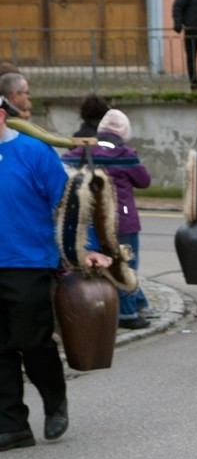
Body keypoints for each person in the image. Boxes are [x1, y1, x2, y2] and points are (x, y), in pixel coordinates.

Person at [1, 90, 113, 452]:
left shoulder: (34, 152)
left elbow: (69, 204)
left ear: (2, 115)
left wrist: (89, 246)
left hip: (28, 261)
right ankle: (13, 425)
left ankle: (54, 401)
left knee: (31, 340)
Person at [61, 109, 153, 330]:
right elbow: (145, 181)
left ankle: (136, 302)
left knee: (103, 263)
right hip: (124, 220)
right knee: (125, 264)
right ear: (124, 131)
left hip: (93, 219)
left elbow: (62, 165)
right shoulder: (125, 154)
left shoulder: (81, 151)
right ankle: (128, 313)